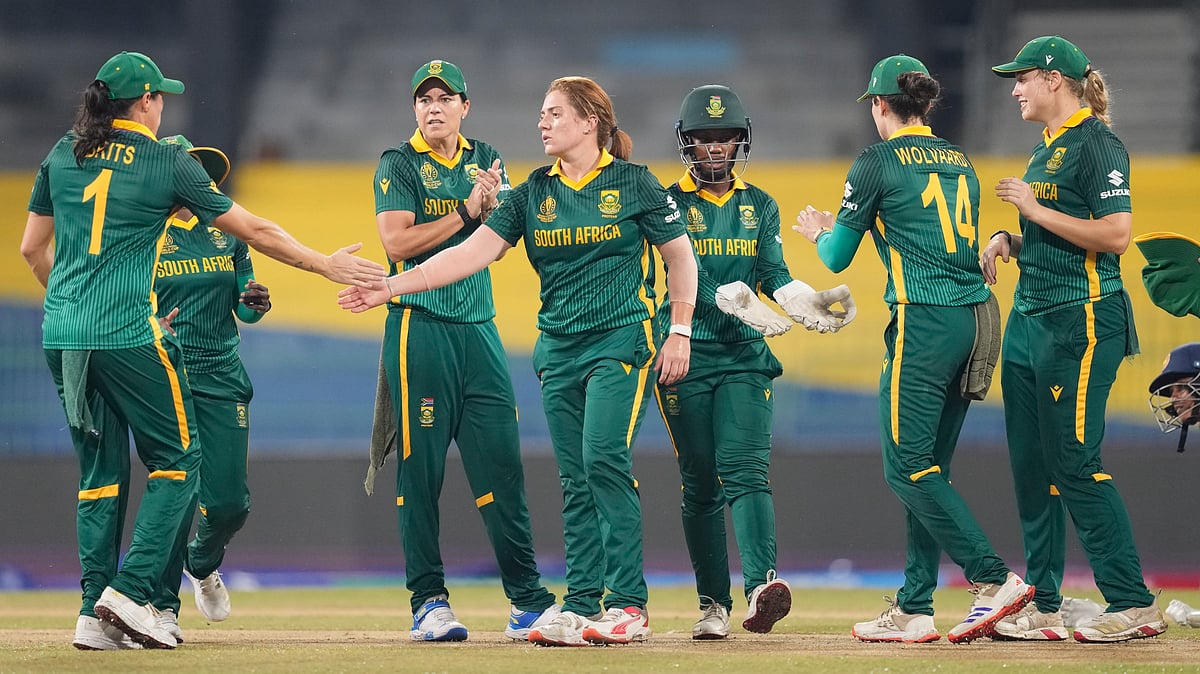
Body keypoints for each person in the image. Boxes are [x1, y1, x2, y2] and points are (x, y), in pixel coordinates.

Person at [18, 50, 384, 650]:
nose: (164, 105)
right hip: (127, 336)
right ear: (146, 102)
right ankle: (132, 593)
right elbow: (259, 231)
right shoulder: (166, 163)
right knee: (179, 461)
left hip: (62, 338)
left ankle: (92, 611)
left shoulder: (64, 152)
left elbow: (33, 250)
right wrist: (326, 264)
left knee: (100, 475)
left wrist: (73, 304)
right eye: (160, 96)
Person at [342, 74, 706, 647]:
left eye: (555, 114)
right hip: (557, 350)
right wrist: (392, 289)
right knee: (573, 476)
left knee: (602, 457)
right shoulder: (532, 191)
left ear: (590, 122)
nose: (542, 123)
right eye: (541, 113)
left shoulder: (635, 183)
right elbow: (467, 254)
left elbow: (681, 260)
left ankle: (628, 605)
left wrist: (679, 330)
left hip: (621, 343)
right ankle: (582, 603)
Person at [794, 54, 1033, 644]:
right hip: (979, 318)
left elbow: (834, 260)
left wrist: (820, 229)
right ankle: (915, 607)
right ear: (923, 105)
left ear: (879, 105)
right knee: (928, 468)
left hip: (927, 321)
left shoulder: (876, 161)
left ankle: (992, 580)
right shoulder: (960, 160)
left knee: (905, 466)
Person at [365, 59, 558, 643]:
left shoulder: (487, 156)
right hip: (418, 327)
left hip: (479, 328)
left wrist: (487, 212)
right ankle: (428, 602)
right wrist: (465, 212)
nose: (433, 107)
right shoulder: (398, 163)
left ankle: (527, 601)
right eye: (424, 98)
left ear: (465, 106)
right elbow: (396, 241)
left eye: (445, 98)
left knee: (503, 465)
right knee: (420, 472)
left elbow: (495, 249)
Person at [981, 35, 1166, 643]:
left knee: (1074, 461)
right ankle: (1046, 603)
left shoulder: (1097, 144)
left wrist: (1033, 213)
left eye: (1023, 78)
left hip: (1083, 320)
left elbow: (1115, 234)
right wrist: (1013, 239)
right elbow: (1060, 231)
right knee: (1032, 467)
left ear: (1054, 80)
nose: (1015, 89)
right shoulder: (1046, 149)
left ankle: (1132, 601)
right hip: (1031, 318)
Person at [658, 84, 856, 640]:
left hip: (745, 358)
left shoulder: (759, 204)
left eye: (725, 139)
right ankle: (711, 604)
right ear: (685, 143)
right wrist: (700, 306)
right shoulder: (665, 203)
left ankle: (761, 587)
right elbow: (665, 275)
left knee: (746, 470)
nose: (714, 149)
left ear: (741, 142)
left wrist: (806, 300)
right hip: (686, 355)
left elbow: (775, 275)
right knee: (700, 483)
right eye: (703, 139)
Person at [145, 135, 271, 643]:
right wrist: (155, 325)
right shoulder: (145, 235)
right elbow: (128, 303)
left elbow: (244, 307)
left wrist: (254, 303)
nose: (200, 181)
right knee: (177, 491)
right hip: (167, 374)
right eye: (189, 171)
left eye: (203, 173)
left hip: (221, 375)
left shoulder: (227, 234)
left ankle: (201, 562)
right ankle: (161, 606)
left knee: (230, 505)